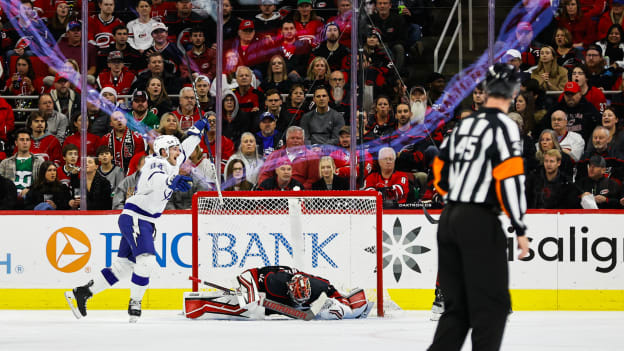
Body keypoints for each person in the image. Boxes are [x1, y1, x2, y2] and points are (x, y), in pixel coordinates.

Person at [65, 118, 210, 322]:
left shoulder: (172, 160)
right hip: (136, 218)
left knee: (123, 267)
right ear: (163, 151)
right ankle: (135, 304)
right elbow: (157, 179)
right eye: (175, 149)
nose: (180, 153)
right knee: (147, 260)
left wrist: (199, 128)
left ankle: (82, 292)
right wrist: (171, 181)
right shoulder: (154, 163)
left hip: (143, 220)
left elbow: (187, 146)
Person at [428, 63, 529, 351]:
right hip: (478, 221)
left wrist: (455, 196)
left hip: (449, 218)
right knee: (493, 306)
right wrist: (520, 227)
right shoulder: (505, 125)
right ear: (513, 91)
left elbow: (439, 170)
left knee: (457, 311)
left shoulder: (464, 125)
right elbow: (510, 178)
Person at [186, 265, 374, 320]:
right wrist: (249, 294)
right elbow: (249, 276)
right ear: (290, 290)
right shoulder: (275, 282)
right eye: (296, 297)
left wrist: (342, 304)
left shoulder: (316, 286)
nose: (298, 301)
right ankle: (203, 305)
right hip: (255, 286)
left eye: (302, 299)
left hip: (272, 301)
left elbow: (333, 291)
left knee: (253, 308)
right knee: (248, 308)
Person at [0, 129, 45, 208]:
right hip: (9, 197)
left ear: (30, 142)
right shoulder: (5, 163)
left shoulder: (39, 162)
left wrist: (30, 189)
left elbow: (42, 182)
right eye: (22, 140)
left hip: (31, 197)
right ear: (16, 143)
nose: (25, 142)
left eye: (27, 140)